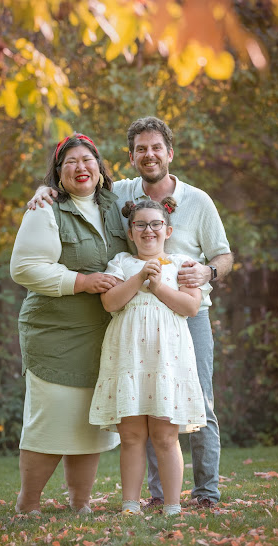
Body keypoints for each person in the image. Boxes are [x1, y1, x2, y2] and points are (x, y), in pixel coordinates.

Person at [28, 117, 233, 510]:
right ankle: (156, 495)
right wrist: (45, 189)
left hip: (188, 314)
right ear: (132, 156)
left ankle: (206, 493)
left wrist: (208, 272)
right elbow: (78, 182)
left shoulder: (198, 200)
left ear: (169, 153)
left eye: (156, 147)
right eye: (141, 149)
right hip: (137, 319)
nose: (149, 155)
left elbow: (224, 255)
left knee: (198, 405)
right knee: (149, 401)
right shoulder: (119, 192)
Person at [10, 133, 128, 515]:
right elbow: (24, 268)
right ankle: (28, 504)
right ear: (58, 173)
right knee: (50, 424)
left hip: (102, 336)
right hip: (55, 335)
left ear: (100, 167)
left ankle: (81, 503)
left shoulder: (117, 204)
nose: (81, 167)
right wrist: (81, 281)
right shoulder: (45, 210)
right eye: (71, 162)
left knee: (88, 425)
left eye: (87, 160)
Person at [89, 198, 208, 516]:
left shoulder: (182, 263)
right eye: (140, 224)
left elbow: (190, 307)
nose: (148, 230)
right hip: (130, 355)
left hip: (166, 358)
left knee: (165, 434)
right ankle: (130, 504)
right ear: (130, 232)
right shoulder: (121, 263)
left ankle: (172, 505)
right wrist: (140, 276)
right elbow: (110, 303)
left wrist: (156, 287)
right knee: (131, 434)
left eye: (155, 224)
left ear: (167, 230)